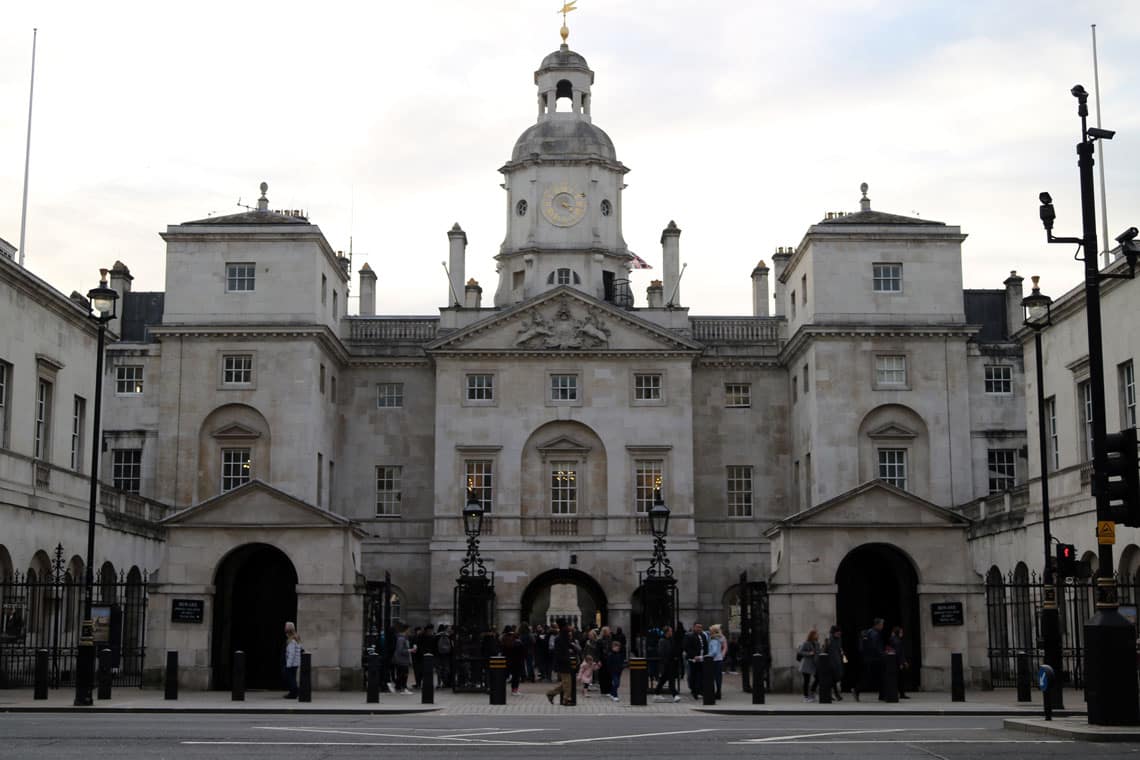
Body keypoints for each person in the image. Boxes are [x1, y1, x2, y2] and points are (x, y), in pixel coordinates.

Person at [854, 617, 885, 702]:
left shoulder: (869, 632)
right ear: (878, 625)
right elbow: (875, 647)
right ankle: (857, 689)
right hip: (874, 659)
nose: (883, 626)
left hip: (869, 659)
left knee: (879, 677)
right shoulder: (875, 633)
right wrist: (883, 654)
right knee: (871, 677)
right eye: (882, 624)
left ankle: (882, 695)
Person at [546, 622, 574, 705]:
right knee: (567, 682)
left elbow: (568, 646)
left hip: (564, 661)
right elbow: (560, 652)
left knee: (566, 682)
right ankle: (566, 699)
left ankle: (551, 693)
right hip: (563, 662)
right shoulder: (560, 638)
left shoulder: (562, 638)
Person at [653, 626, 682, 702]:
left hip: (672, 662)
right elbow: (661, 652)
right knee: (671, 679)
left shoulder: (671, 640)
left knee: (663, 679)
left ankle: (656, 693)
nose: (672, 632)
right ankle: (675, 695)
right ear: (667, 632)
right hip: (666, 663)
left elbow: (673, 649)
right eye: (670, 631)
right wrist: (666, 661)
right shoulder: (662, 641)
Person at [683, 622, 708, 699]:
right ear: (694, 627)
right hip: (693, 659)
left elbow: (705, 647)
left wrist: (704, 655)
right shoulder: (689, 636)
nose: (699, 629)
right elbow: (686, 647)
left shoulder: (703, 636)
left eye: (700, 627)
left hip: (702, 658)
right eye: (697, 627)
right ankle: (694, 691)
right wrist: (694, 656)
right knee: (693, 675)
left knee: (701, 675)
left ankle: (701, 690)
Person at [797, 628, 820, 702]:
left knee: (818, 678)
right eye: (816, 634)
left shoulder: (817, 643)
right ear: (812, 635)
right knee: (806, 681)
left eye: (817, 634)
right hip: (806, 664)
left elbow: (818, 652)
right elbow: (800, 652)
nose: (817, 635)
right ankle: (806, 697)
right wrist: (809, 653)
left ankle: (812, 693)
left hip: (814, 664)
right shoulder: (806, 643)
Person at [825, 625, 845, 701]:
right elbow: (827, 651)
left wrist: (842, 656)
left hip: (838, 661)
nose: (839, 633)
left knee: (835, 679)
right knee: (833, 679)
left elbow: (839, 649)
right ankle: (835, 695)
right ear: (834, 632)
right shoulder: (829, 640)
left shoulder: (839, 639)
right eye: (838, 632)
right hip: (831, 663)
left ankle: (833, 694)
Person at [890, 625, 910, 699]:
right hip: (897, 663)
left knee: (898, 679)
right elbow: (899, 653)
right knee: (900, 679)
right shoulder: (897, 641)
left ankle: (900, 693)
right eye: (901, 632)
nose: (902, 633)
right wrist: (902, 663)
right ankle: (901, 694)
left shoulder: (893, 639)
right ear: (898, 632)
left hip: (895, 662)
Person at [282, 621, 301, 699]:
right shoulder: (296, 638)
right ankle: (293, 692)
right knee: (292, 678)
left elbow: (291, 654)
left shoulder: (292, 640)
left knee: (291, 679)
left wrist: (288, 665)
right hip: (295, 663)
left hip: (292, 664)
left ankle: (293, 693)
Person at [393, 624, 413, 695]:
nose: (410, 632)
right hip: (402, 660)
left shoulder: (403, 638)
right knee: (404, 674)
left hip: (401, 660)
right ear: (406, 630)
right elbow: (400, 650)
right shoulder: (401, 639)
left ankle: (399, 687)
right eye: (409, 630)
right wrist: (410, 650)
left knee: (400, 674)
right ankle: (403, 688)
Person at [708, 624, 726, 699]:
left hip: (714, 660)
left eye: (710, 631)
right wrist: (722, 655)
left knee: (712, 677)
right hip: (719, 659)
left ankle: (715, 693)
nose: (709, 632)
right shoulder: (720, 638)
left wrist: (708, 656)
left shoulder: (714, 640)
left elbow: (714, 651)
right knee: (718, 677)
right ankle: (718, 692)